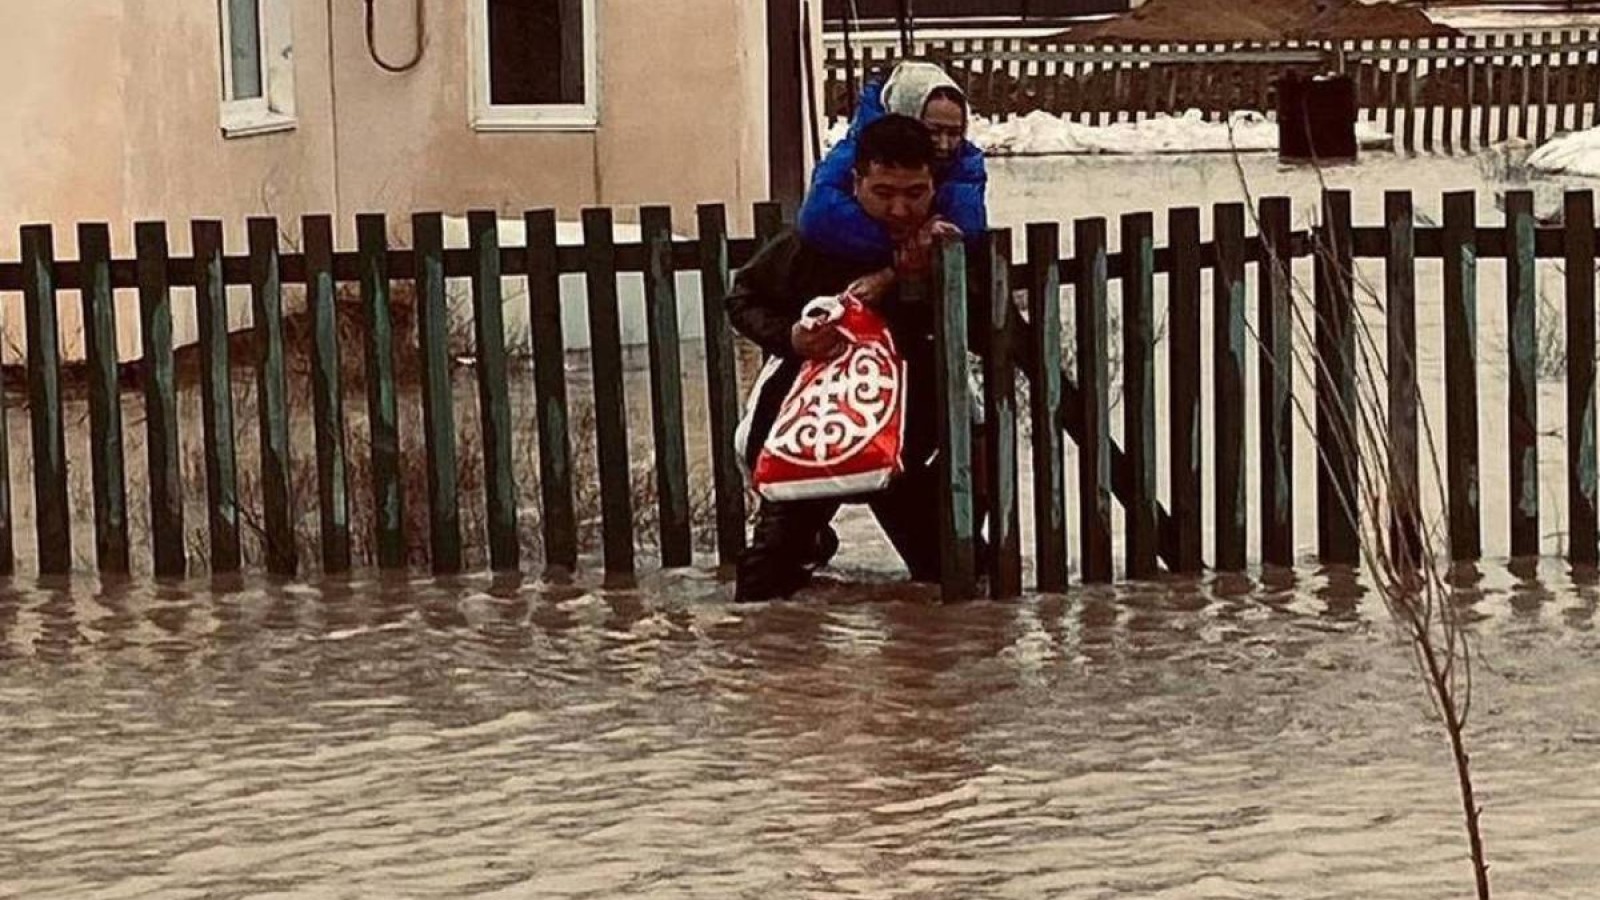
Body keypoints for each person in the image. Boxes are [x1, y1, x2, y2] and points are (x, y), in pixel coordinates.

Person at [728, 114, 966, 603]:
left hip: (913, 441)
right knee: (764, 590)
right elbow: (743, 297)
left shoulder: (952, 244)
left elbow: (984, 321)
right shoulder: (813, 243)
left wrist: (912, 280)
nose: (899, 209)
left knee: (954, 582)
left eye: (915, 193)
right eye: (883, 193)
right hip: (814, 432)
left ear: (933, 186)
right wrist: (792, 338)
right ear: (856, 182)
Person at [798, 61, 987, 273]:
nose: (944, 144)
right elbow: (821, 215)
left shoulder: (965, 162)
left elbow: (966, 228)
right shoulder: (859, 150)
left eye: (954, 133)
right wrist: (909, 243)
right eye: (933, 131)